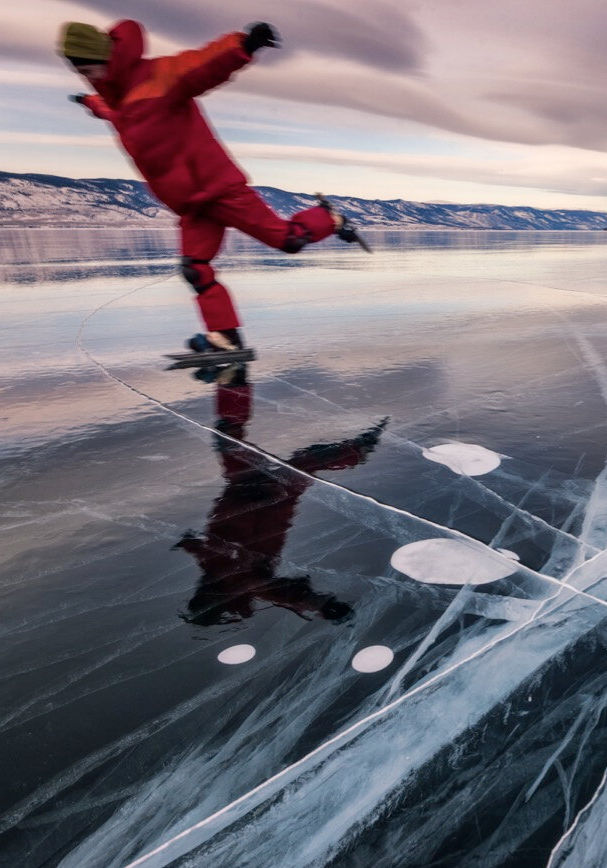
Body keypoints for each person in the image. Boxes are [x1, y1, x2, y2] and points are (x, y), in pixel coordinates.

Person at [58, 20, 367, 355]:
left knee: (288, 240)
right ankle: (226, 338)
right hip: (191, 205)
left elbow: (202, 65)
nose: (90, 78)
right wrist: (88, 102)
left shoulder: (159, 76)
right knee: (194, 269)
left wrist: (243, 46)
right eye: (83, 73)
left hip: (219, 188)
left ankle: (329, 218)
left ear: (106, 59)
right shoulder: (116, 102)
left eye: (91, 70)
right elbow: (111, 110)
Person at [176, 363, 388, 625]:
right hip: (273, 498)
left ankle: (233, 381)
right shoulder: (242, 583)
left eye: (198, 596)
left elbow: (205, 551)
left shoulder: (212, 569)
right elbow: (278, 592)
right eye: (203, 600)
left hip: (243, 487)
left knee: (229, 440)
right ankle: (359, 451)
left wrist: (189, 543)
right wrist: (323, 605)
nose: (200, 592)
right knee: (305, 461)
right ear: (213, 602)